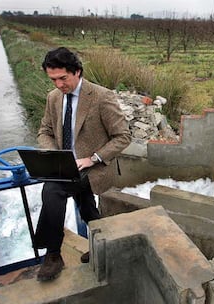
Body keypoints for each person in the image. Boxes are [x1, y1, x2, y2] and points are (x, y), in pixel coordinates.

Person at [34, 47, 131, 281]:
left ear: (77, 71)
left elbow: (123, 136)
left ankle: (53, 253)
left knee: (52, 190)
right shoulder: (53, 97)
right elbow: (44, 131)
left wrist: (92, 158)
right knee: (86, 207)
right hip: (66, 166)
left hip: (94, 167)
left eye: (62, 78)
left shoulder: (101, 97)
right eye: (53, 79)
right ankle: (103, 246)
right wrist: (55, 154)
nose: (58, 85)